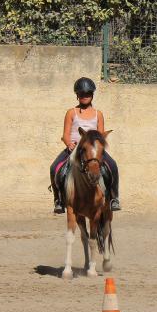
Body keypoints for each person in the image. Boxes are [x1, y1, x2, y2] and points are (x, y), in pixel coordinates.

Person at [49, 77, 121, 213]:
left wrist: (99, 147)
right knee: (54, 168)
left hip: (94, 151)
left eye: (87, 94)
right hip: (76, 149)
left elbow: (100, 135)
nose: (85, 96)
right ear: (77, 96)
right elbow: (65, 134)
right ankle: (58, 200)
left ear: (92, 95)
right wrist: (69, 143)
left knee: (113, 166)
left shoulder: (98, 114)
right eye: (82, 94)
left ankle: (114, 198)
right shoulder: (71, 112)